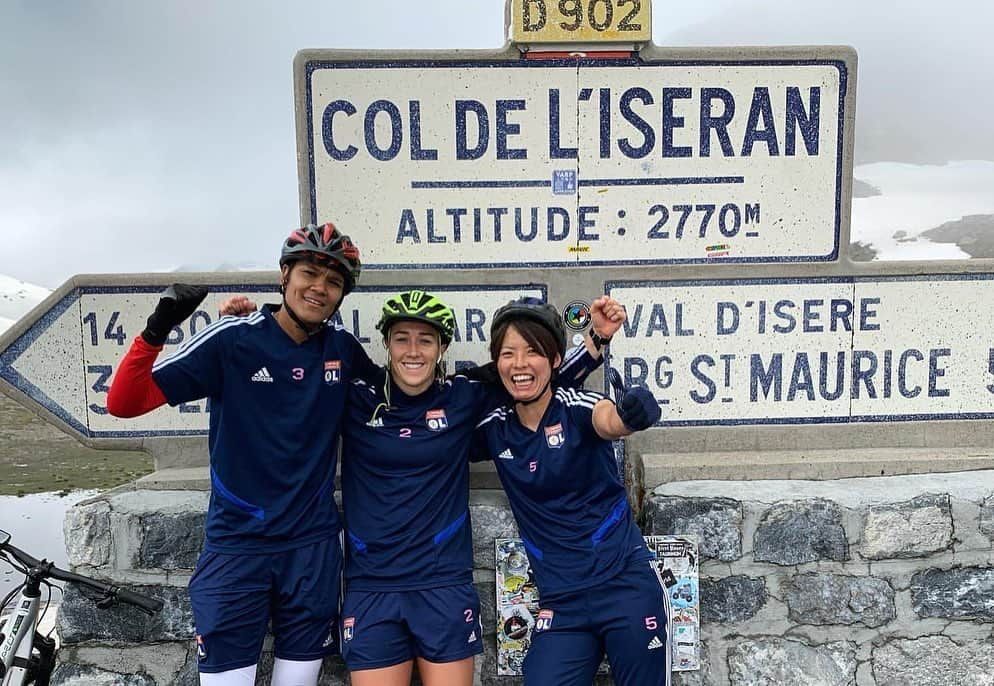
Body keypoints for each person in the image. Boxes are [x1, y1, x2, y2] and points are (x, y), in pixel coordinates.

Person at [218, 288, 625, 686]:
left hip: (443, 583)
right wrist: (246, 334)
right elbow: (287, 388)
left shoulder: (464, 395)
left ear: (442, 348)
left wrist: (596, 341)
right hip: (372, 585)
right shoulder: (355, 396)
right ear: (386, 345)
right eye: (402, 339)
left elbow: (536, 385)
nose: (413, 351)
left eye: (425, 340)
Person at [106, 222, 372, 686]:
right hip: (237, 547)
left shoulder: (342, 350)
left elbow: (398, 401)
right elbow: (124, 403)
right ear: (284, 277)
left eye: (334, 282)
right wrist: (158, 325)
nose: (320, 288)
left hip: (312, 549)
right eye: (310, 273)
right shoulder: (232, 340)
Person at [474, 297, 670, 686]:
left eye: (533, 352)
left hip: (624, 584)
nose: (519, 364)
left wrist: (630, 415)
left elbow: (607, 419)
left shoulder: (576, 405)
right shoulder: (494, 426)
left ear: (555, 360)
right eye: (508, 353)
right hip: (562, 602)